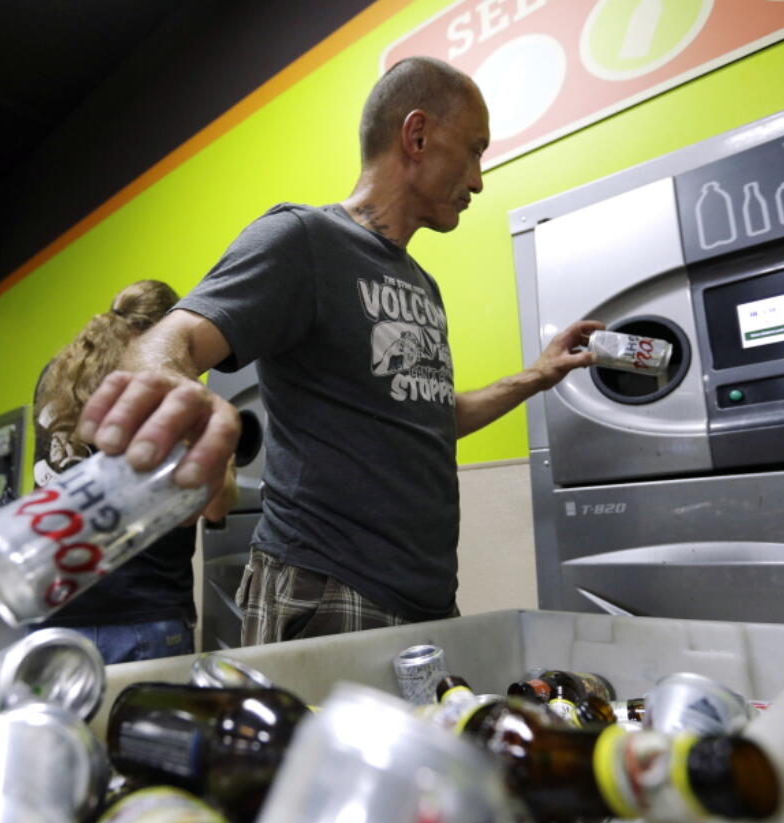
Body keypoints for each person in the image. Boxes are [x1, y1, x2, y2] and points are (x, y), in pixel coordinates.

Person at [75, 56, 602, 645]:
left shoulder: (423, 285)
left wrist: (537, 375)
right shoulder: (302, 240)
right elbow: (169, 339)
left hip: (428, 598)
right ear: (418, 135)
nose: (479, 178)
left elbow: (432, 419)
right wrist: (169, 381)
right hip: (327, 589)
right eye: (474, 149)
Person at [31, 279, 237, 663]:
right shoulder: (166, 384)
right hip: (143, 609)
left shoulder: (55, 376)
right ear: (172, 330)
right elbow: (213, 507)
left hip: (52, 600)